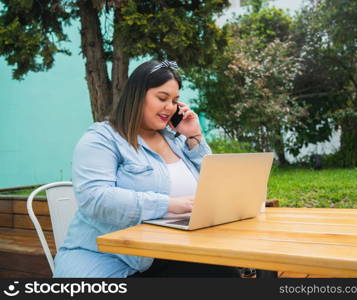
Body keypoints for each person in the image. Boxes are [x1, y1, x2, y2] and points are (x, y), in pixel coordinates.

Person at [53, 60, 241, 278]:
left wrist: (194, 137)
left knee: (226, 274)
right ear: (137, 95)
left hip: (168, 253)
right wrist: (170, 205)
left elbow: (215, 186)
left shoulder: (176, 140)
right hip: (110, 260)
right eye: (162, 98)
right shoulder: (101, 139)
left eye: (175, 101)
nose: (170, 107)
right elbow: (95, 198)